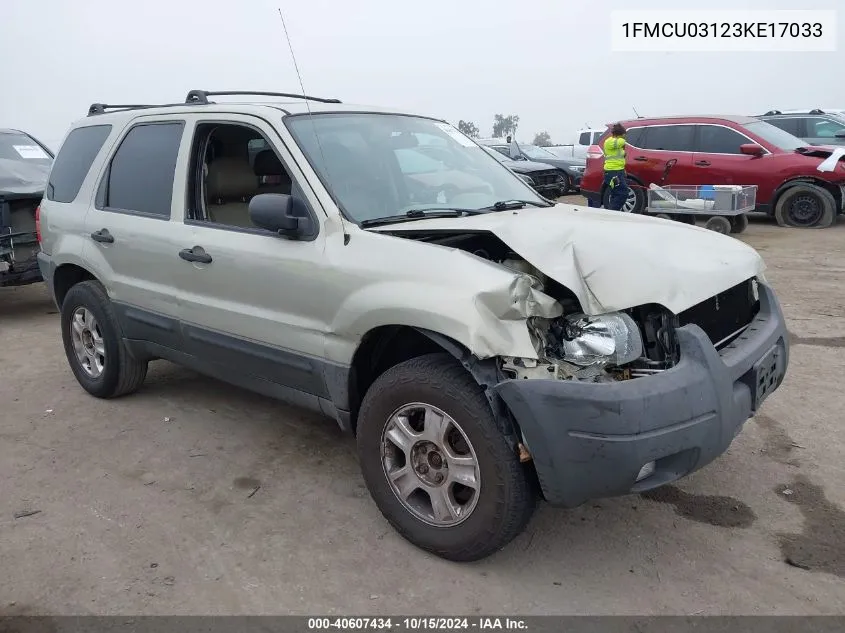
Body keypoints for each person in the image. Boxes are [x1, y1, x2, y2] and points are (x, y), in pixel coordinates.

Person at [602, 122, 630, 211]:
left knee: (616, 193)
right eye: (623, 135)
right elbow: (621, 142)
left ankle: (612, 212)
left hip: (618, 171)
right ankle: (612, 213)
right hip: (613, 172)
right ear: (620, 134)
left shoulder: (616, 143)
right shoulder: (610, 141)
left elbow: (619, 156)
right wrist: (623, 137)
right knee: (623, 193)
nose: (625, 137)